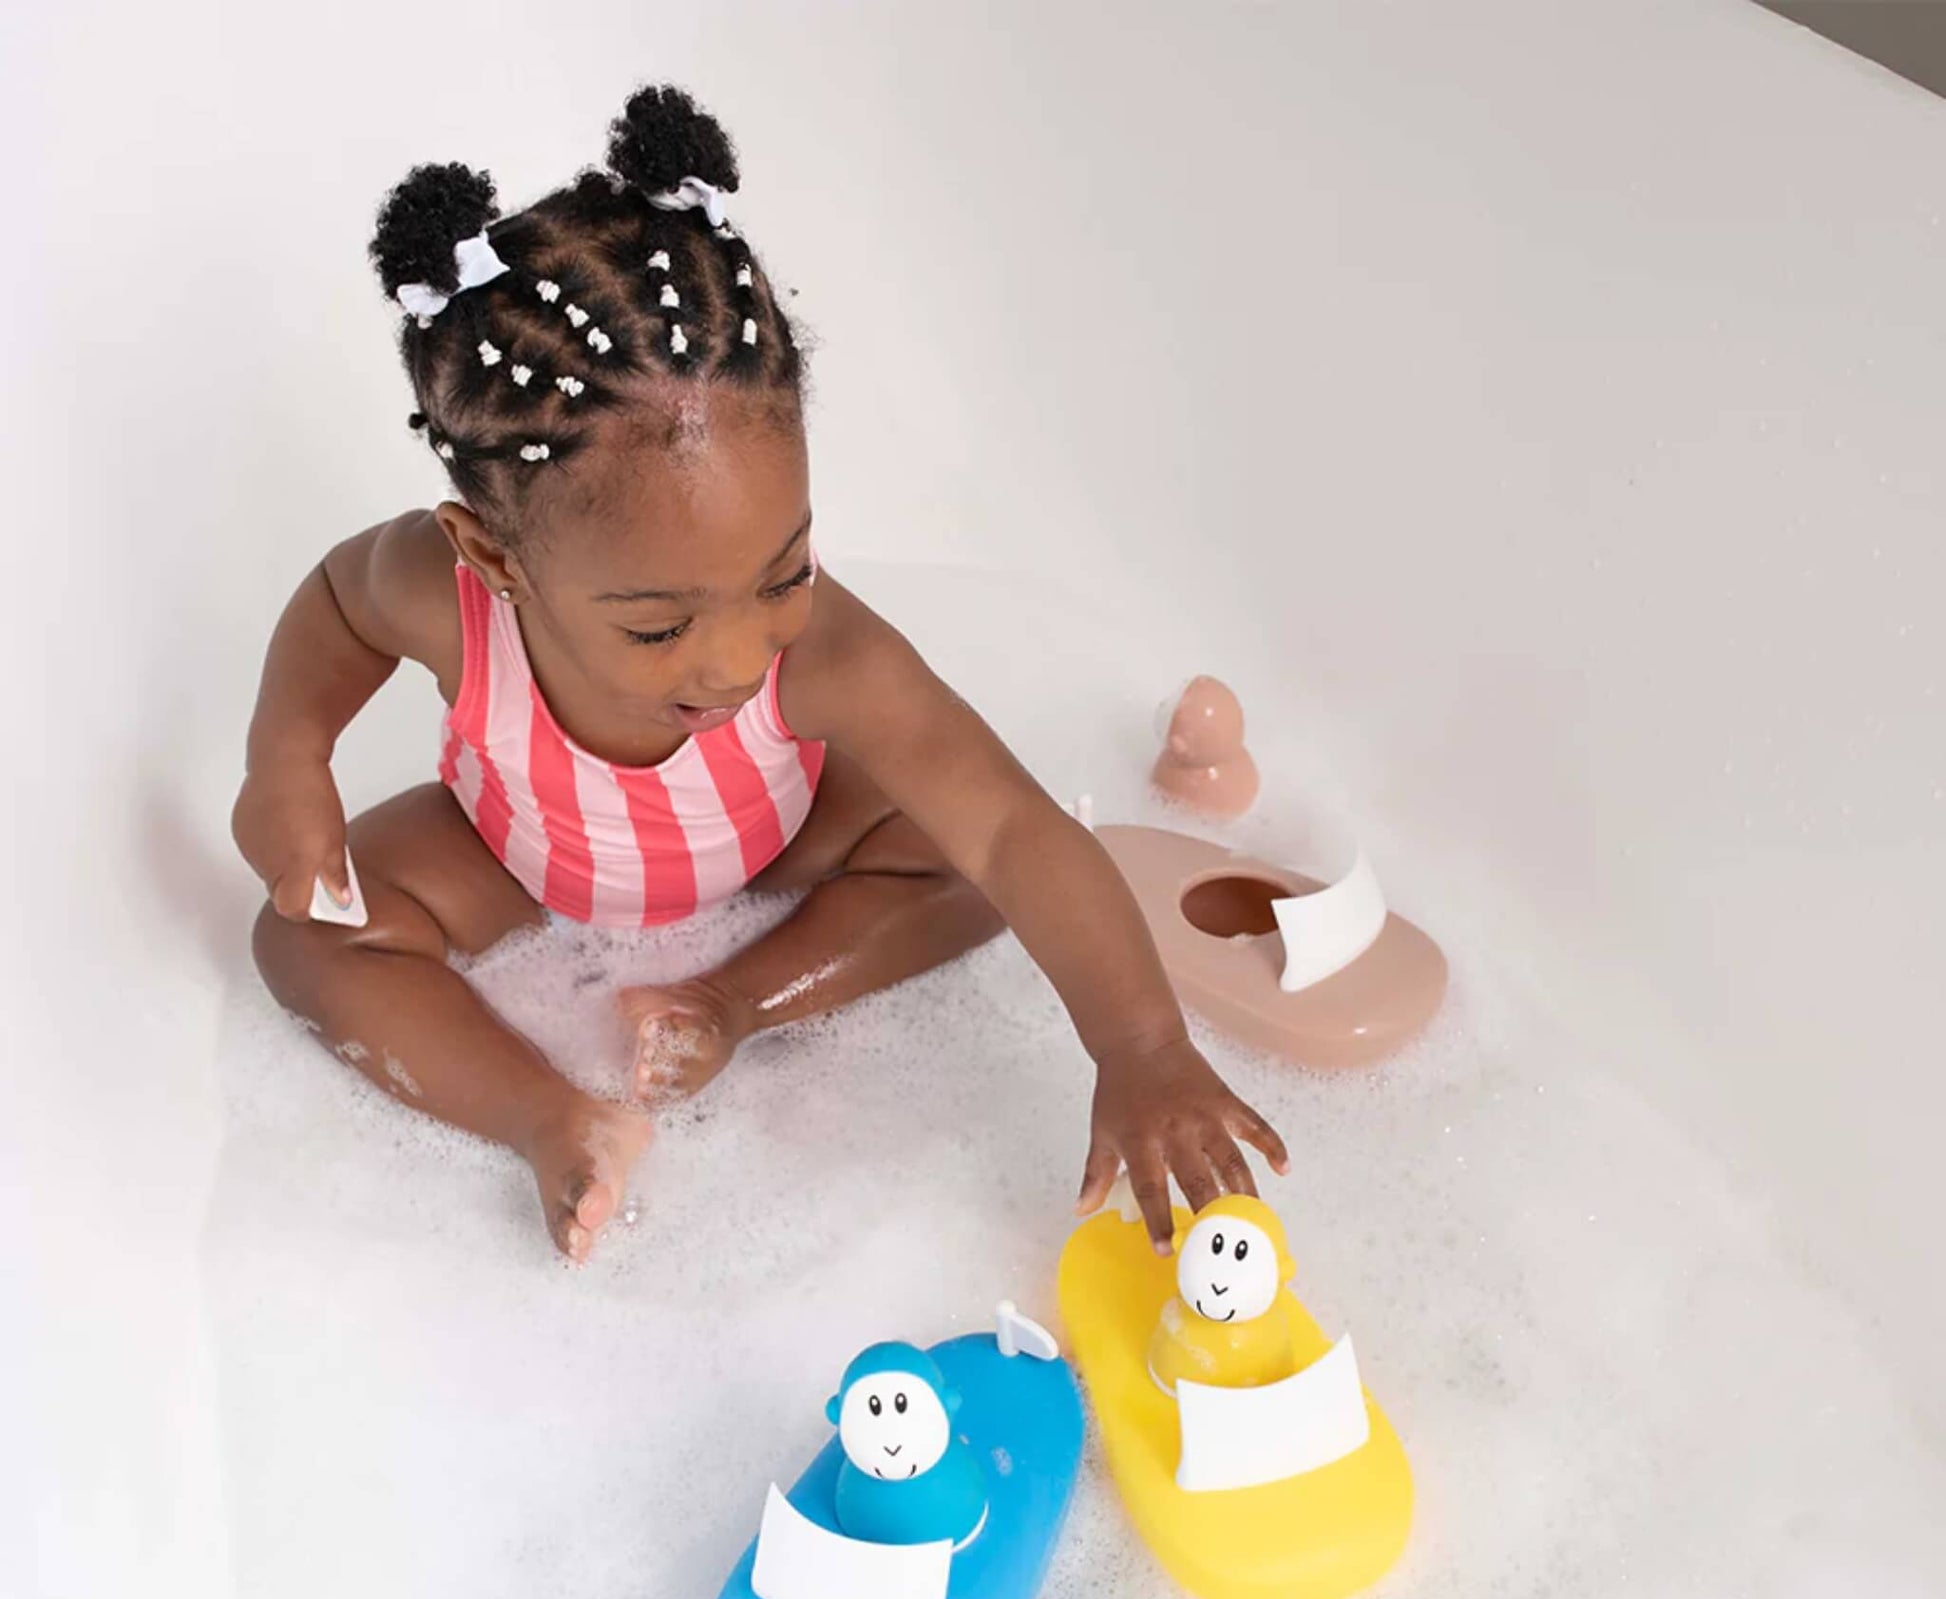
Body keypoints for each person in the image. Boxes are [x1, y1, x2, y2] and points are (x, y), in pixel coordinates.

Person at [233, 83, 1286, 1262]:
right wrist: (286, 757)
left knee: (968, 856)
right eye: (657, 626)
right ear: (496, 557)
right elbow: (337, 604)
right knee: (306, 935)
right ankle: (548, 1114)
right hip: (515, 853)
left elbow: (1009, 831)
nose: (736, 659)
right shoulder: (440, 589)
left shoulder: (823, 652)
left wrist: (1141, 1045)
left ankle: (734, 1000)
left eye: (781, 572)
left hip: (769, 841)